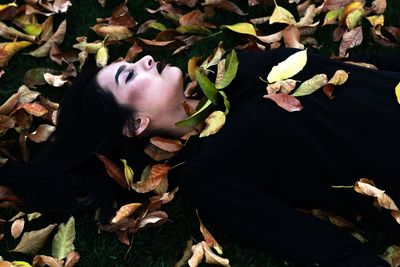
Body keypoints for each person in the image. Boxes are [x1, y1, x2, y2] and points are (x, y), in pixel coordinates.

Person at [1, 47, 400, 266]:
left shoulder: (236, 67)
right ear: (135, 124)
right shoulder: (206, 171)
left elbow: (355, 70)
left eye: (130, 62)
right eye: (129, 75)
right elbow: (302, 239)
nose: (144, 59)